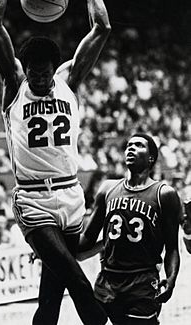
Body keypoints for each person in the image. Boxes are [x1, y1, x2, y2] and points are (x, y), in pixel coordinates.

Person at [0, 0, 112, 325]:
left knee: (51, 299)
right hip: (33, 199)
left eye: (44, 73)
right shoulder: (15, 85)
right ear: (24, 69)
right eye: (33, 73)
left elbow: (102, 27)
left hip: (71, 197)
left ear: (55, 69)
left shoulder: (68, 81)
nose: (39, 79)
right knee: (80, 285)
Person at [79, 133, 181, 325]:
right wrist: (51, 247)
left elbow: (172, 247)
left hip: (141, 282)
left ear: (151, 158)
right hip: (107, 280)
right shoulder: (107, 189)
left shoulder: (164, 194)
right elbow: (87, 238)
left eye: (138, 145)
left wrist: (171, 278)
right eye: (128, 145)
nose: (131, 148)